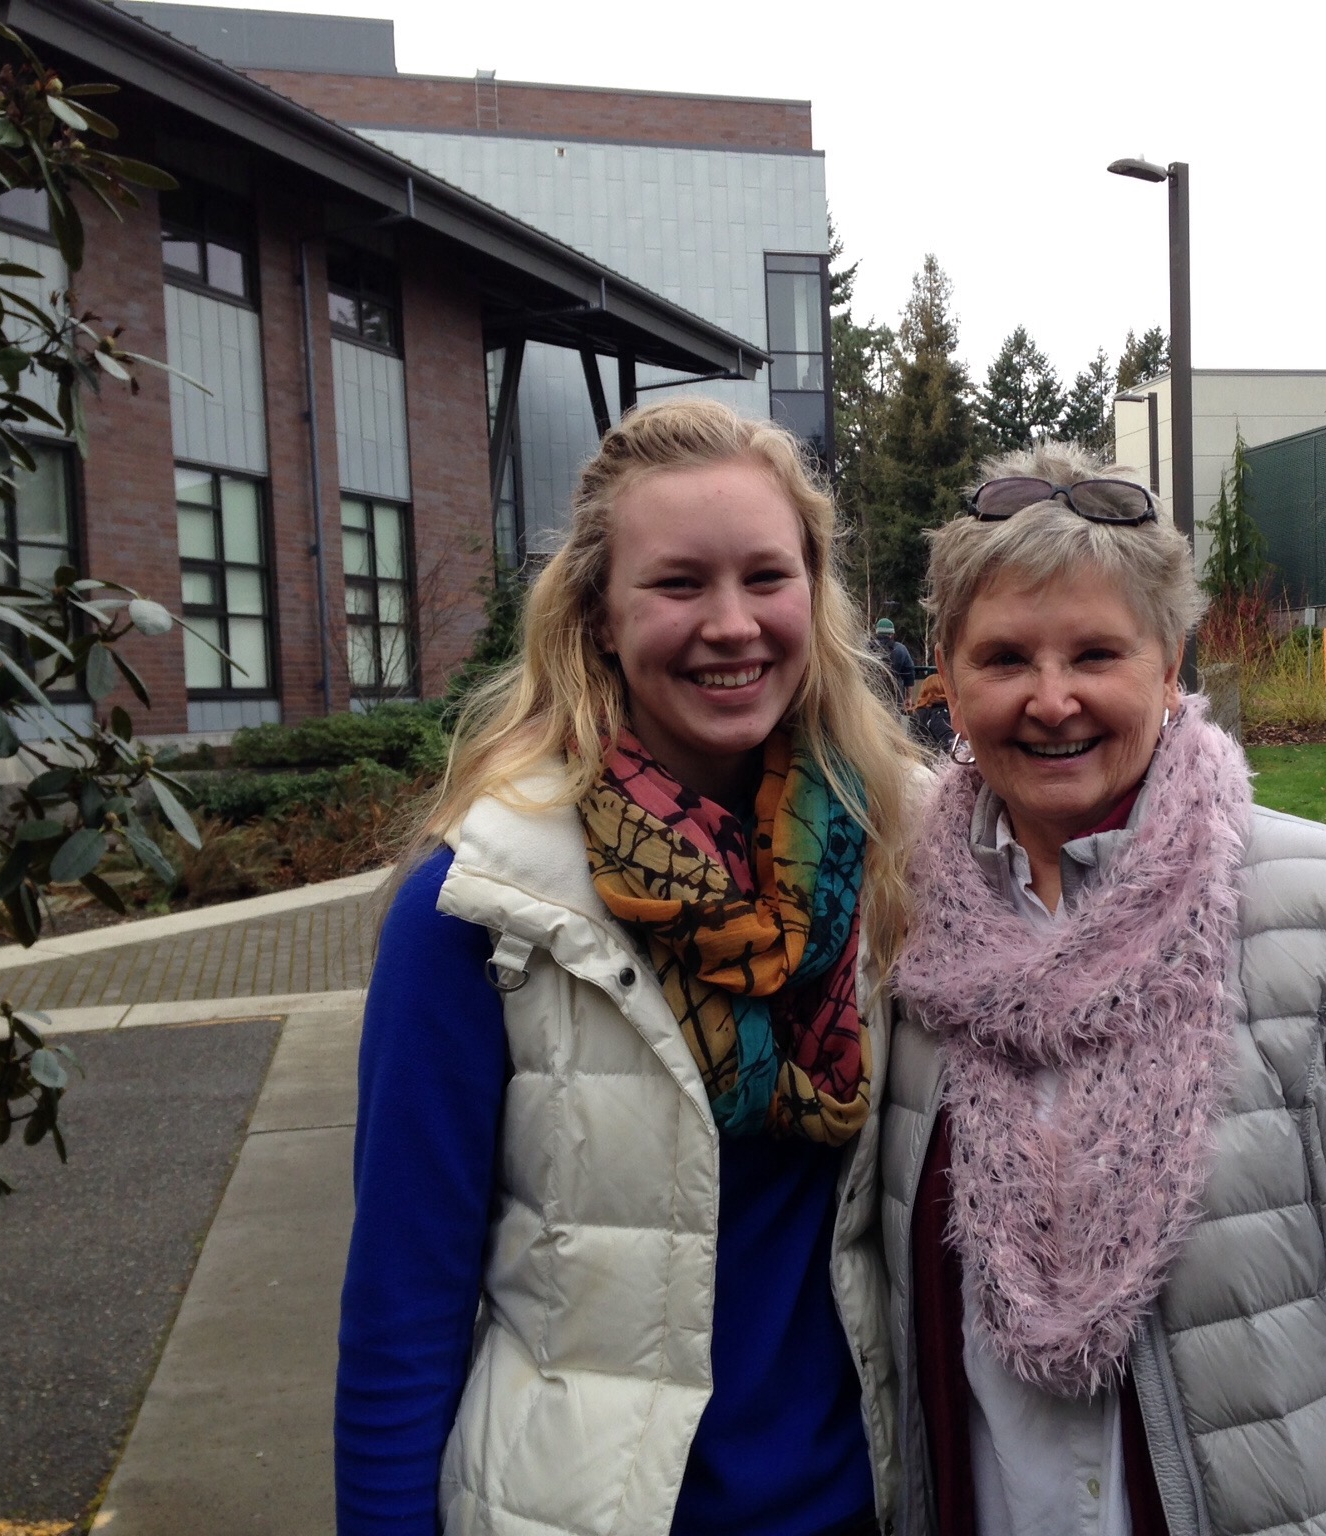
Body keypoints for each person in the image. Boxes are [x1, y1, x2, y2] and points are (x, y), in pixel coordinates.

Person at [880, 444, 1326, 1536]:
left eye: (1096, 653)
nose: (1052, 699)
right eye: (1005, 657)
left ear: (1169, 664)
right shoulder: (895, 928)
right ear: (946, 673)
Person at [335, 398, 922, 1536]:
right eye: (678, 584)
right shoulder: (479, 908)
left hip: (862, 1503)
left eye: (766, 577)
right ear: (599, 616)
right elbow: (402, 1315)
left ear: (814, 595)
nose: (732, 624)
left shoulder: (897, 854)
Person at [906, 671, 955, 755]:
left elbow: (911, 741)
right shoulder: (950, 711)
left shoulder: (917, 713)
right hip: (946, 759)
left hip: (922, 758)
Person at [873, 616, 917, 706]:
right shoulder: (901, 649)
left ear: (877, 632)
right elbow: (909, 674)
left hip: (871, 698)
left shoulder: (867, 648)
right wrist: (908, 697)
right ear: (892, 634)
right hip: (894, 698)